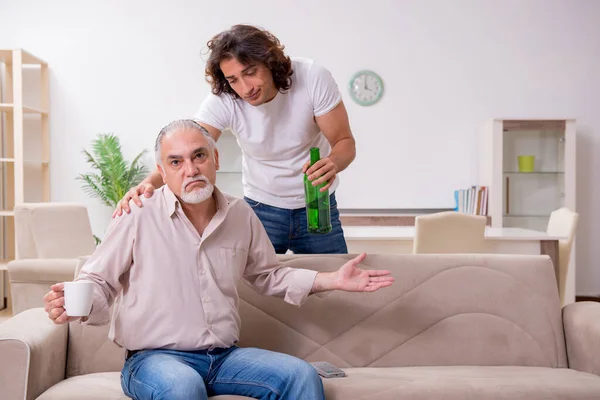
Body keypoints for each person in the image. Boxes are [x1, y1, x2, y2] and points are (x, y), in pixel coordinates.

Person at [43, 120, 394, 400]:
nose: (190, 169)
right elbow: (98, 281)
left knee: (299, 375)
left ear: (216, 160)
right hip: (153, 360)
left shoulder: (241, 215)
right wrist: (78, 305)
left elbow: (268, 275)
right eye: (176, 162)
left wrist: (331, 279)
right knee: (182, 387)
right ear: (162, 172)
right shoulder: (137, 214)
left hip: (225, 357)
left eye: (199, 156)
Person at [113, 24, 357, 255]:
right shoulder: (225, 99)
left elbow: (344, 142)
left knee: (335, 285)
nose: (245, 88)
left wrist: (333, 163)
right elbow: (186, 148)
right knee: (253, 292)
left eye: (250, 73)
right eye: (233, 80)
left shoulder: (312, 77)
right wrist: (146, 184)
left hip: (317, 205)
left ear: (271, 63)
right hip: (261, 208)